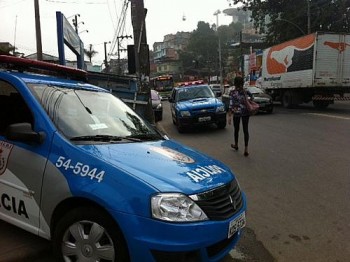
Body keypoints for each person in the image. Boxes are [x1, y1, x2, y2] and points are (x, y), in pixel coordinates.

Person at [227, 76, 253, 157]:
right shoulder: (245, 91)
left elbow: (231, 104)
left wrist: (229, 116)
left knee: (236, 130)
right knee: (246, 130)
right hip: (245, 112)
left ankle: (236, 145)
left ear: (235, 83)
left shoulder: (232, 92)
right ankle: (246, 149)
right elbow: (252, 98)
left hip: (237, 113)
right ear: (242, 83)